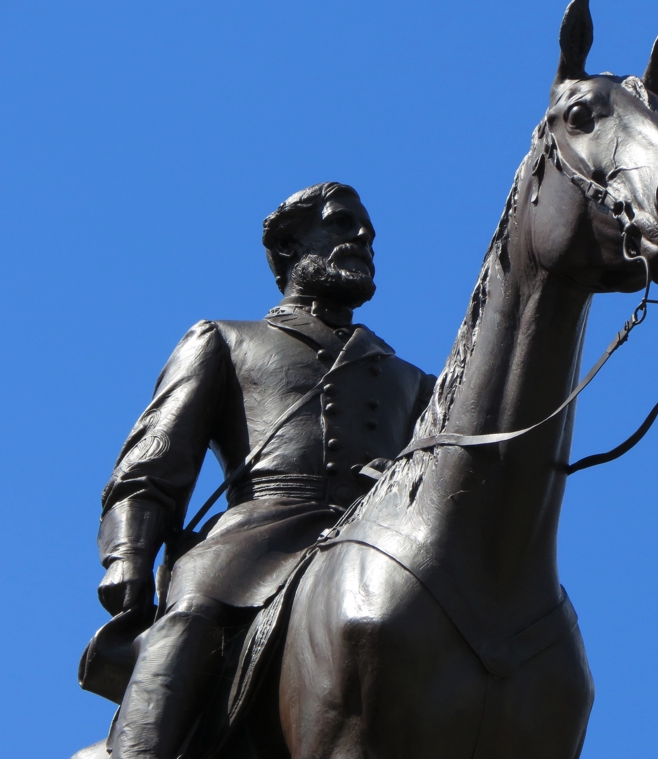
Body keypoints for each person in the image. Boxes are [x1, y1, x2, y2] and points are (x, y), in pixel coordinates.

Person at [82, 182, 435, 759]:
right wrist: (129, 555)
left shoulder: (412, 380)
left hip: (373, 545)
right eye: (342, 223)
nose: (364, 236)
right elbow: (155, 459)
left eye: (367, 230)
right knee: (188, 622)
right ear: (291, 246)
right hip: (255, 539)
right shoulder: (225, 340)